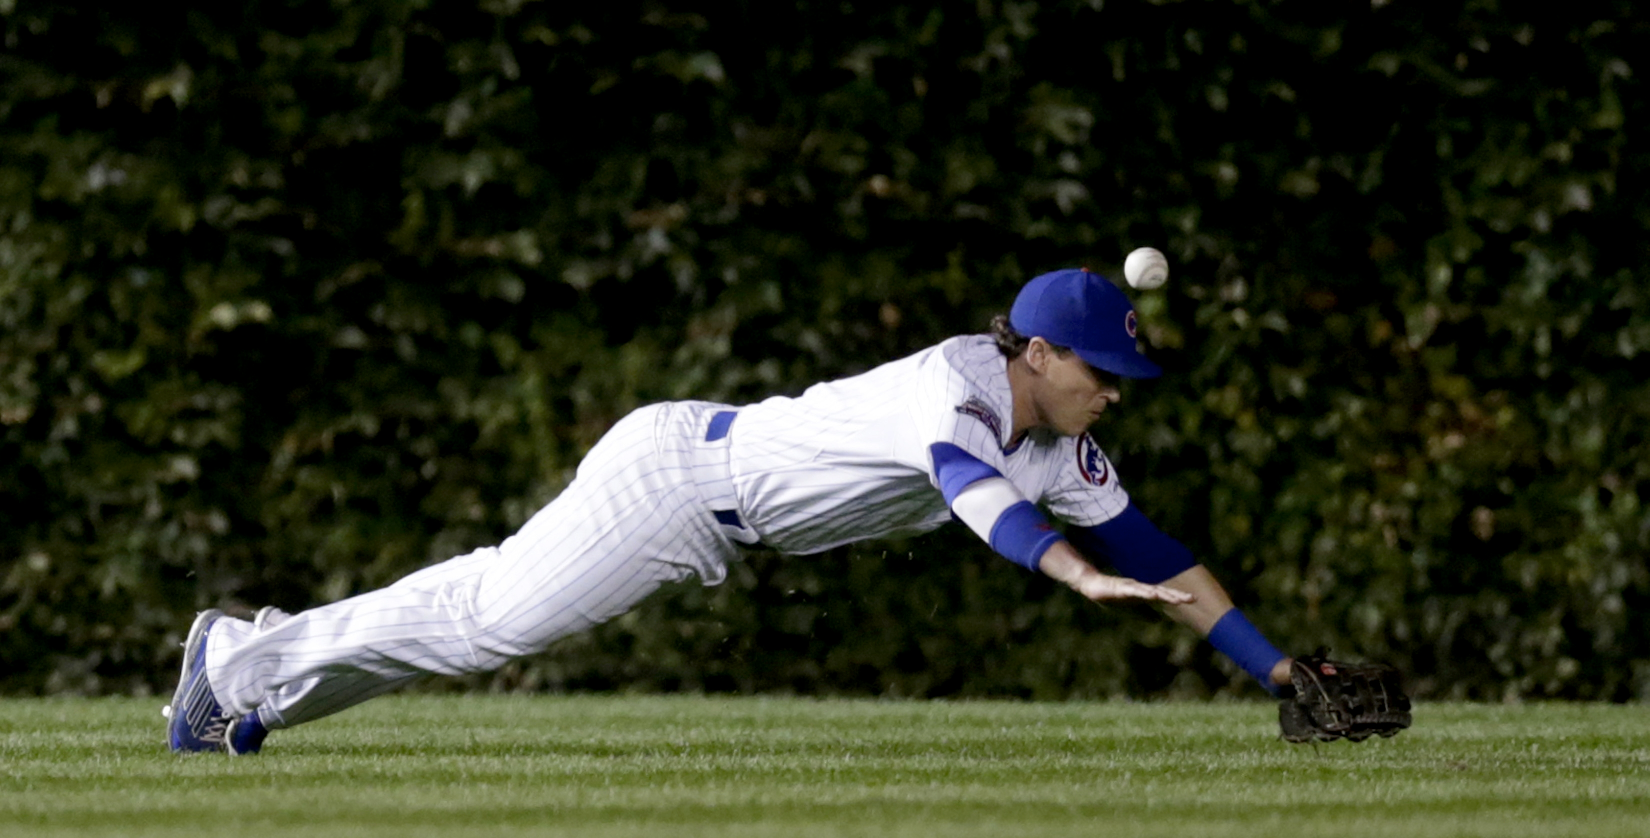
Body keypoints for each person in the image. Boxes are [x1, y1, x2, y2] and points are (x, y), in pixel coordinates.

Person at [166, 267, 1292, 755]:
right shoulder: (949, 387)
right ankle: (237, 661)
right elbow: (972, 491)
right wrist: (1072, 573)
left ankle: (252, 678)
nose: (1109, 392)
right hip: (676, 485)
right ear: (1035, 352)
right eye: (1096, 372)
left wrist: (1280, 672)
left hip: (703, 481)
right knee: (486, 622)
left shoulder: (1064, 443)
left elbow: (1160, 556)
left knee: (477, 607)